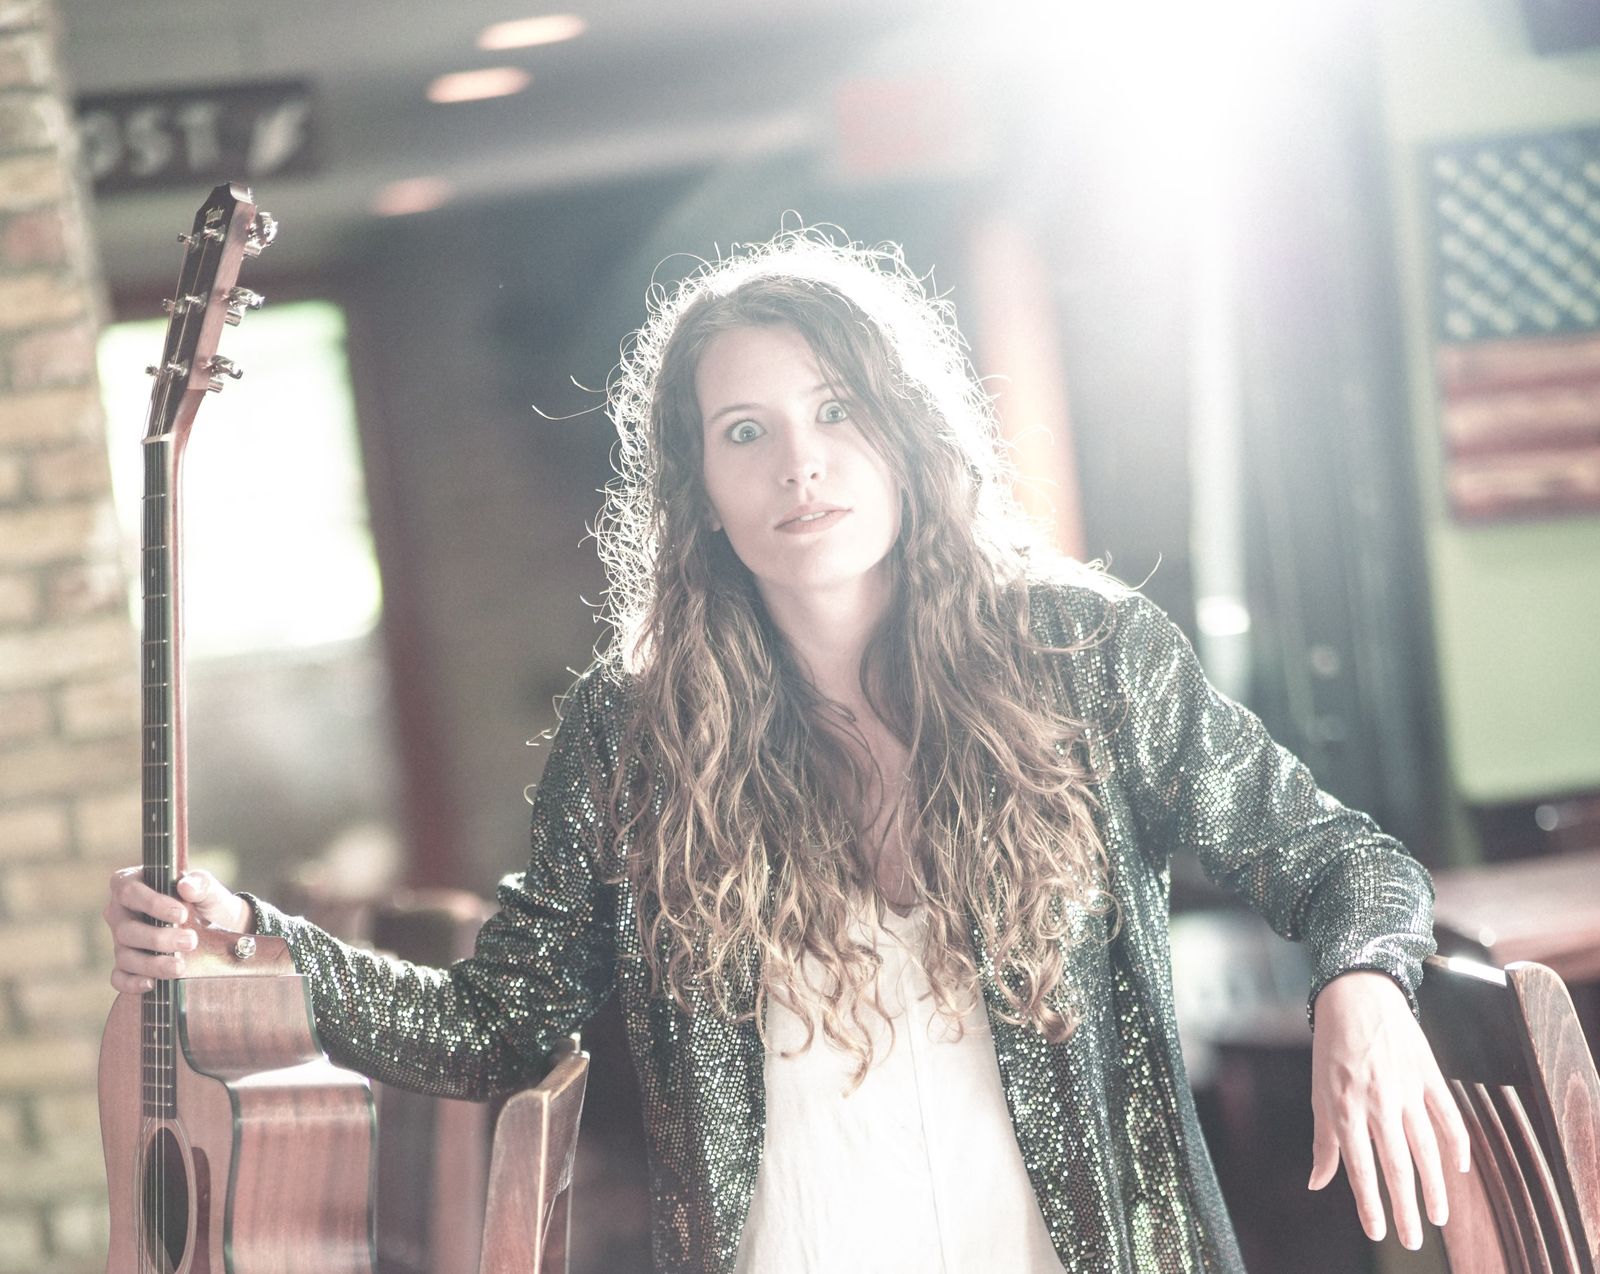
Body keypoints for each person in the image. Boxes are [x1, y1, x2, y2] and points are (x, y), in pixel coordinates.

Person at [106, 230, 1468, 1273]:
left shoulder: (1084, 657)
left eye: (836, 412)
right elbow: (499, 1024)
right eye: (745, 433)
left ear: (907, 432)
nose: (798, 467)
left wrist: (1363, 982)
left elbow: (1341, 860)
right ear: (699, 488)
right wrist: (256, 939)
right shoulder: (634, 731)